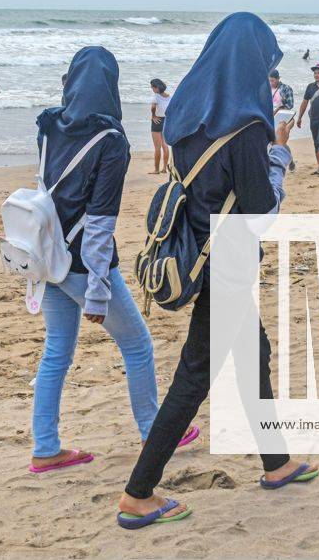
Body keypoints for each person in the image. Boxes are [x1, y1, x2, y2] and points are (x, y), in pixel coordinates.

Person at [117, 13, 317, 530]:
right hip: (225, 261)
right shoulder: (248, 128)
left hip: (197, 250)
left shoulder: (185, 113)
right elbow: (261, 214)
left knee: (255, 353)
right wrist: (278, 158)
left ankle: (276, 461)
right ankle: (139, 493)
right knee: (195, 375)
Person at [30, 47, 197, 475]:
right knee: (138, 345)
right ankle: (153, 432)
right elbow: (101, 223)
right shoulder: (111, 141)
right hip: (85, 265)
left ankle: (46, 447)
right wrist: (99, 293)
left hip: (49, 256)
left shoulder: (49, 125)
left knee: (56, 353)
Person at [269, 70, 296, 172]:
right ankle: (290, 160)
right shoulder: (266, 89)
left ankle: (284, 161)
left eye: (273, 80)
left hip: (285, 118)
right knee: (274, 142)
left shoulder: (286, 88)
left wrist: (279, 107)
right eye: (269, 81)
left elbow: (290, 105)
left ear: (278, 79)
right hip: (271, 118)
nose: (271, 83)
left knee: (281, 141)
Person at [149, 78, 171, 174]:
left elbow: (153, 107)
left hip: (157, 121)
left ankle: (156, 170)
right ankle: (164, 169)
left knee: (157, 147)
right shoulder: (169, 97)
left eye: (152, 87)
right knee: (165, 145)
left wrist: (153, 116)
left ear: (157, 88)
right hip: (166, 120)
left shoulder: (156, 96)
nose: (152, 89)